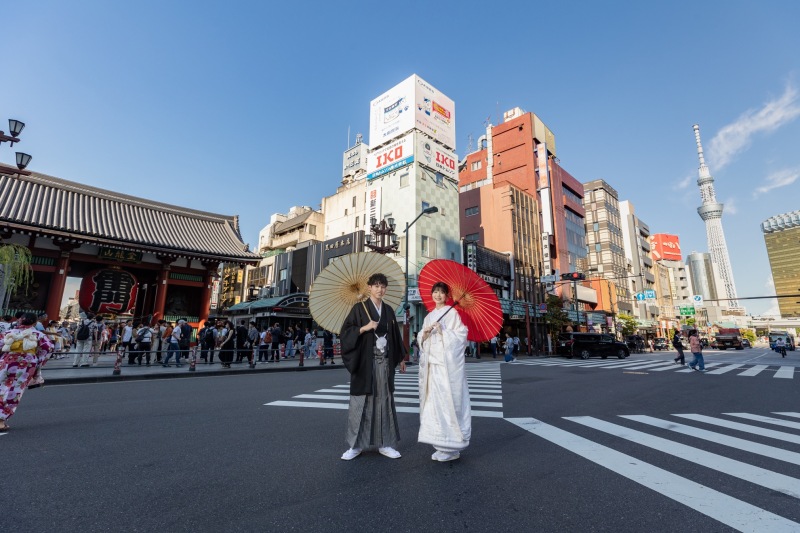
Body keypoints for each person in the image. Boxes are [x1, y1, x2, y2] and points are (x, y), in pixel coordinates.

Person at [339, 273, 406, 460]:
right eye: (376, 286)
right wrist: (363, 328)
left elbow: (395, 336)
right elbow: (345, 333)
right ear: (369, 288)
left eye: (383, 286)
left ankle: (385, 443)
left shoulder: (389, 311)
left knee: (384, 400)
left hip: (384, 363)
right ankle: (355, 445)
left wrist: (401, 357)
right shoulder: (359, 309)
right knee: (361, 402)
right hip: (365, 362)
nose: (380, 289)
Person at [417, 282, 471, 462]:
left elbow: (461, 337)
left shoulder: (452, 313)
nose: (438, 295)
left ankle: (452, 446)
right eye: (435, 292)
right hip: (433, 366)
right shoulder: (429, 315)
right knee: (434, 406)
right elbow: (421, 340)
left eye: (441, 292)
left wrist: (444, 331)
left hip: (446, 369)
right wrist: (423, 334)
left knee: (448, 404)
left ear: (447, 296)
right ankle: (440, 444)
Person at [0, 312, 54, 432]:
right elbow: (48, 349)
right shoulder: (38, 335)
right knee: (15, 391)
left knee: (1, 388)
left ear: (20, 320)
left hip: (6, 362)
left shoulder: (8, 333)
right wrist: (38, 363)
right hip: (27, 364)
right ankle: (1, 421)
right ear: (34, 323)